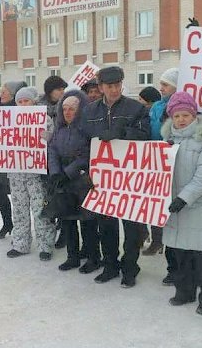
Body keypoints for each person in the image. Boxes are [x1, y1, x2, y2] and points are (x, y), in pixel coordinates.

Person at [81, 66, 150, 287]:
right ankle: (110, 265)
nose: (115, 90)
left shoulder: (136, 108)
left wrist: (121, 134)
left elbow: (144, 135)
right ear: (100, 87)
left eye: (118, 85)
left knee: (132, 227)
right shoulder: (90, 111)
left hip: (129, 178)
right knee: (106, 225)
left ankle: (130, 266)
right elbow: (84, 142)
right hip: (103, 179)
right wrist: (86, 171)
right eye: (110, 86)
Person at [161, 91, 202, 316]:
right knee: (180, 253)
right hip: (174, 207)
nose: (181, 120)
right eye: (177, 116)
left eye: (186, 114)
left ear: (194, 114)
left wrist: (184, 198)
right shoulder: (167, 141)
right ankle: (184, 291)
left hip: (199, 207)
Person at [48, 90, 101, 273]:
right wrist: (55, 173)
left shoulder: (86, 130)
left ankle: (93, 257)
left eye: (72, 109)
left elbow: (87, 154)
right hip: (63, 181)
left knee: (88, 222)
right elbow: (52, 150)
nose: (68, 112)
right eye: (65, 109)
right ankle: (73, 256)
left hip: (83, 180)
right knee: (68, 221)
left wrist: (68, 172)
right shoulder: (59, 130)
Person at [6, 86, 56, 260]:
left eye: (26, 100)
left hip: (36, 175)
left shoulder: (44, 118)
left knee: (40, 210)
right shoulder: (8, 119)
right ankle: (20, 243)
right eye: (19, 101)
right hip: (15, 174)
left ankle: (46, 246)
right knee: (19, 210)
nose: (23, 104)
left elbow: (54, 142)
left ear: (33, 101)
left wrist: (49, 137)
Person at [144, 68, 180, 291]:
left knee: (175, 220)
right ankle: (168, 262)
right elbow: (149, 130)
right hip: (156, 162)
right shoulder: (157, 106)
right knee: (158, 210)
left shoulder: (182, 107)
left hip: (175, 162)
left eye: (165, 84)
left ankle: (178, 268)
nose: (161, 87)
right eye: (160, 83)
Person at [0, 80, 27, 239]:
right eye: (1, 91)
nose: (1, 94)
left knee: (19, 196)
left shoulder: (21, 110)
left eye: (5, 92)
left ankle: (21, 227)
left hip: (17, 160)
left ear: (13, 95)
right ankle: (7, 223)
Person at [37, 75, 68, 248]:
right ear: (50, 91)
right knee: (47, 195)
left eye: (64, 89)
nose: (62, 92)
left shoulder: (66, 106)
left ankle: (63, 230)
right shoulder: (37, 108)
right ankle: (50, 226)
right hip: (41, 159)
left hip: (60, 156)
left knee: (60, 194)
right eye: (59, 89)